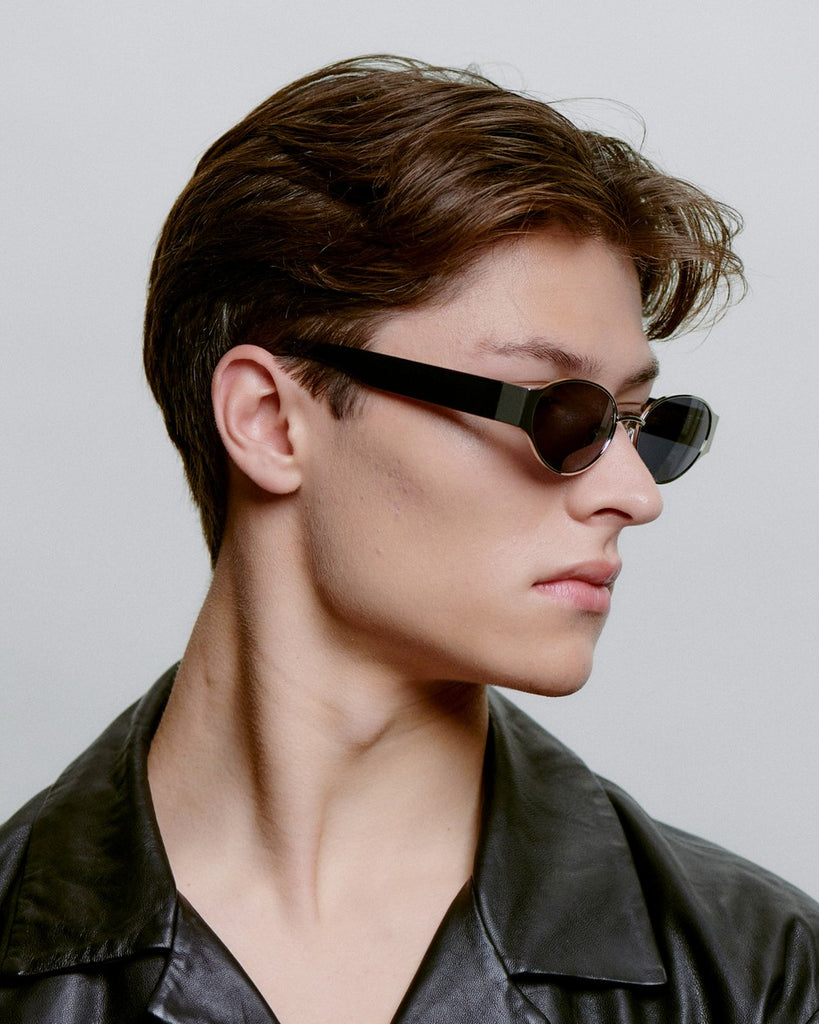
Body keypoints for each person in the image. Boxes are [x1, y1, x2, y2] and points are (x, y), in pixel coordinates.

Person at [1, 55, 816, 1024]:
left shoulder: (762, 980)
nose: (634, 495)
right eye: (559, 413)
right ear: (269, 420)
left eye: (645, 425)